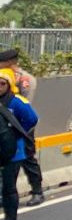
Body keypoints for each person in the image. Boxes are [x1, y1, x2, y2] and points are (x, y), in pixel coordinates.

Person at [0, 49, 43, 206]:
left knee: (27, 158)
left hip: (20, 127)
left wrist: (20, 130)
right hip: (3, 128)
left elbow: (26, 106)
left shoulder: (24, 79)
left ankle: (37, 191)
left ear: (10, 62)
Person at [0, 67, 37, 220]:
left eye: (2, 83)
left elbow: (31, 119)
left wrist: (16, 133)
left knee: (9, 189)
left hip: (13, 152)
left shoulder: (17, 102)